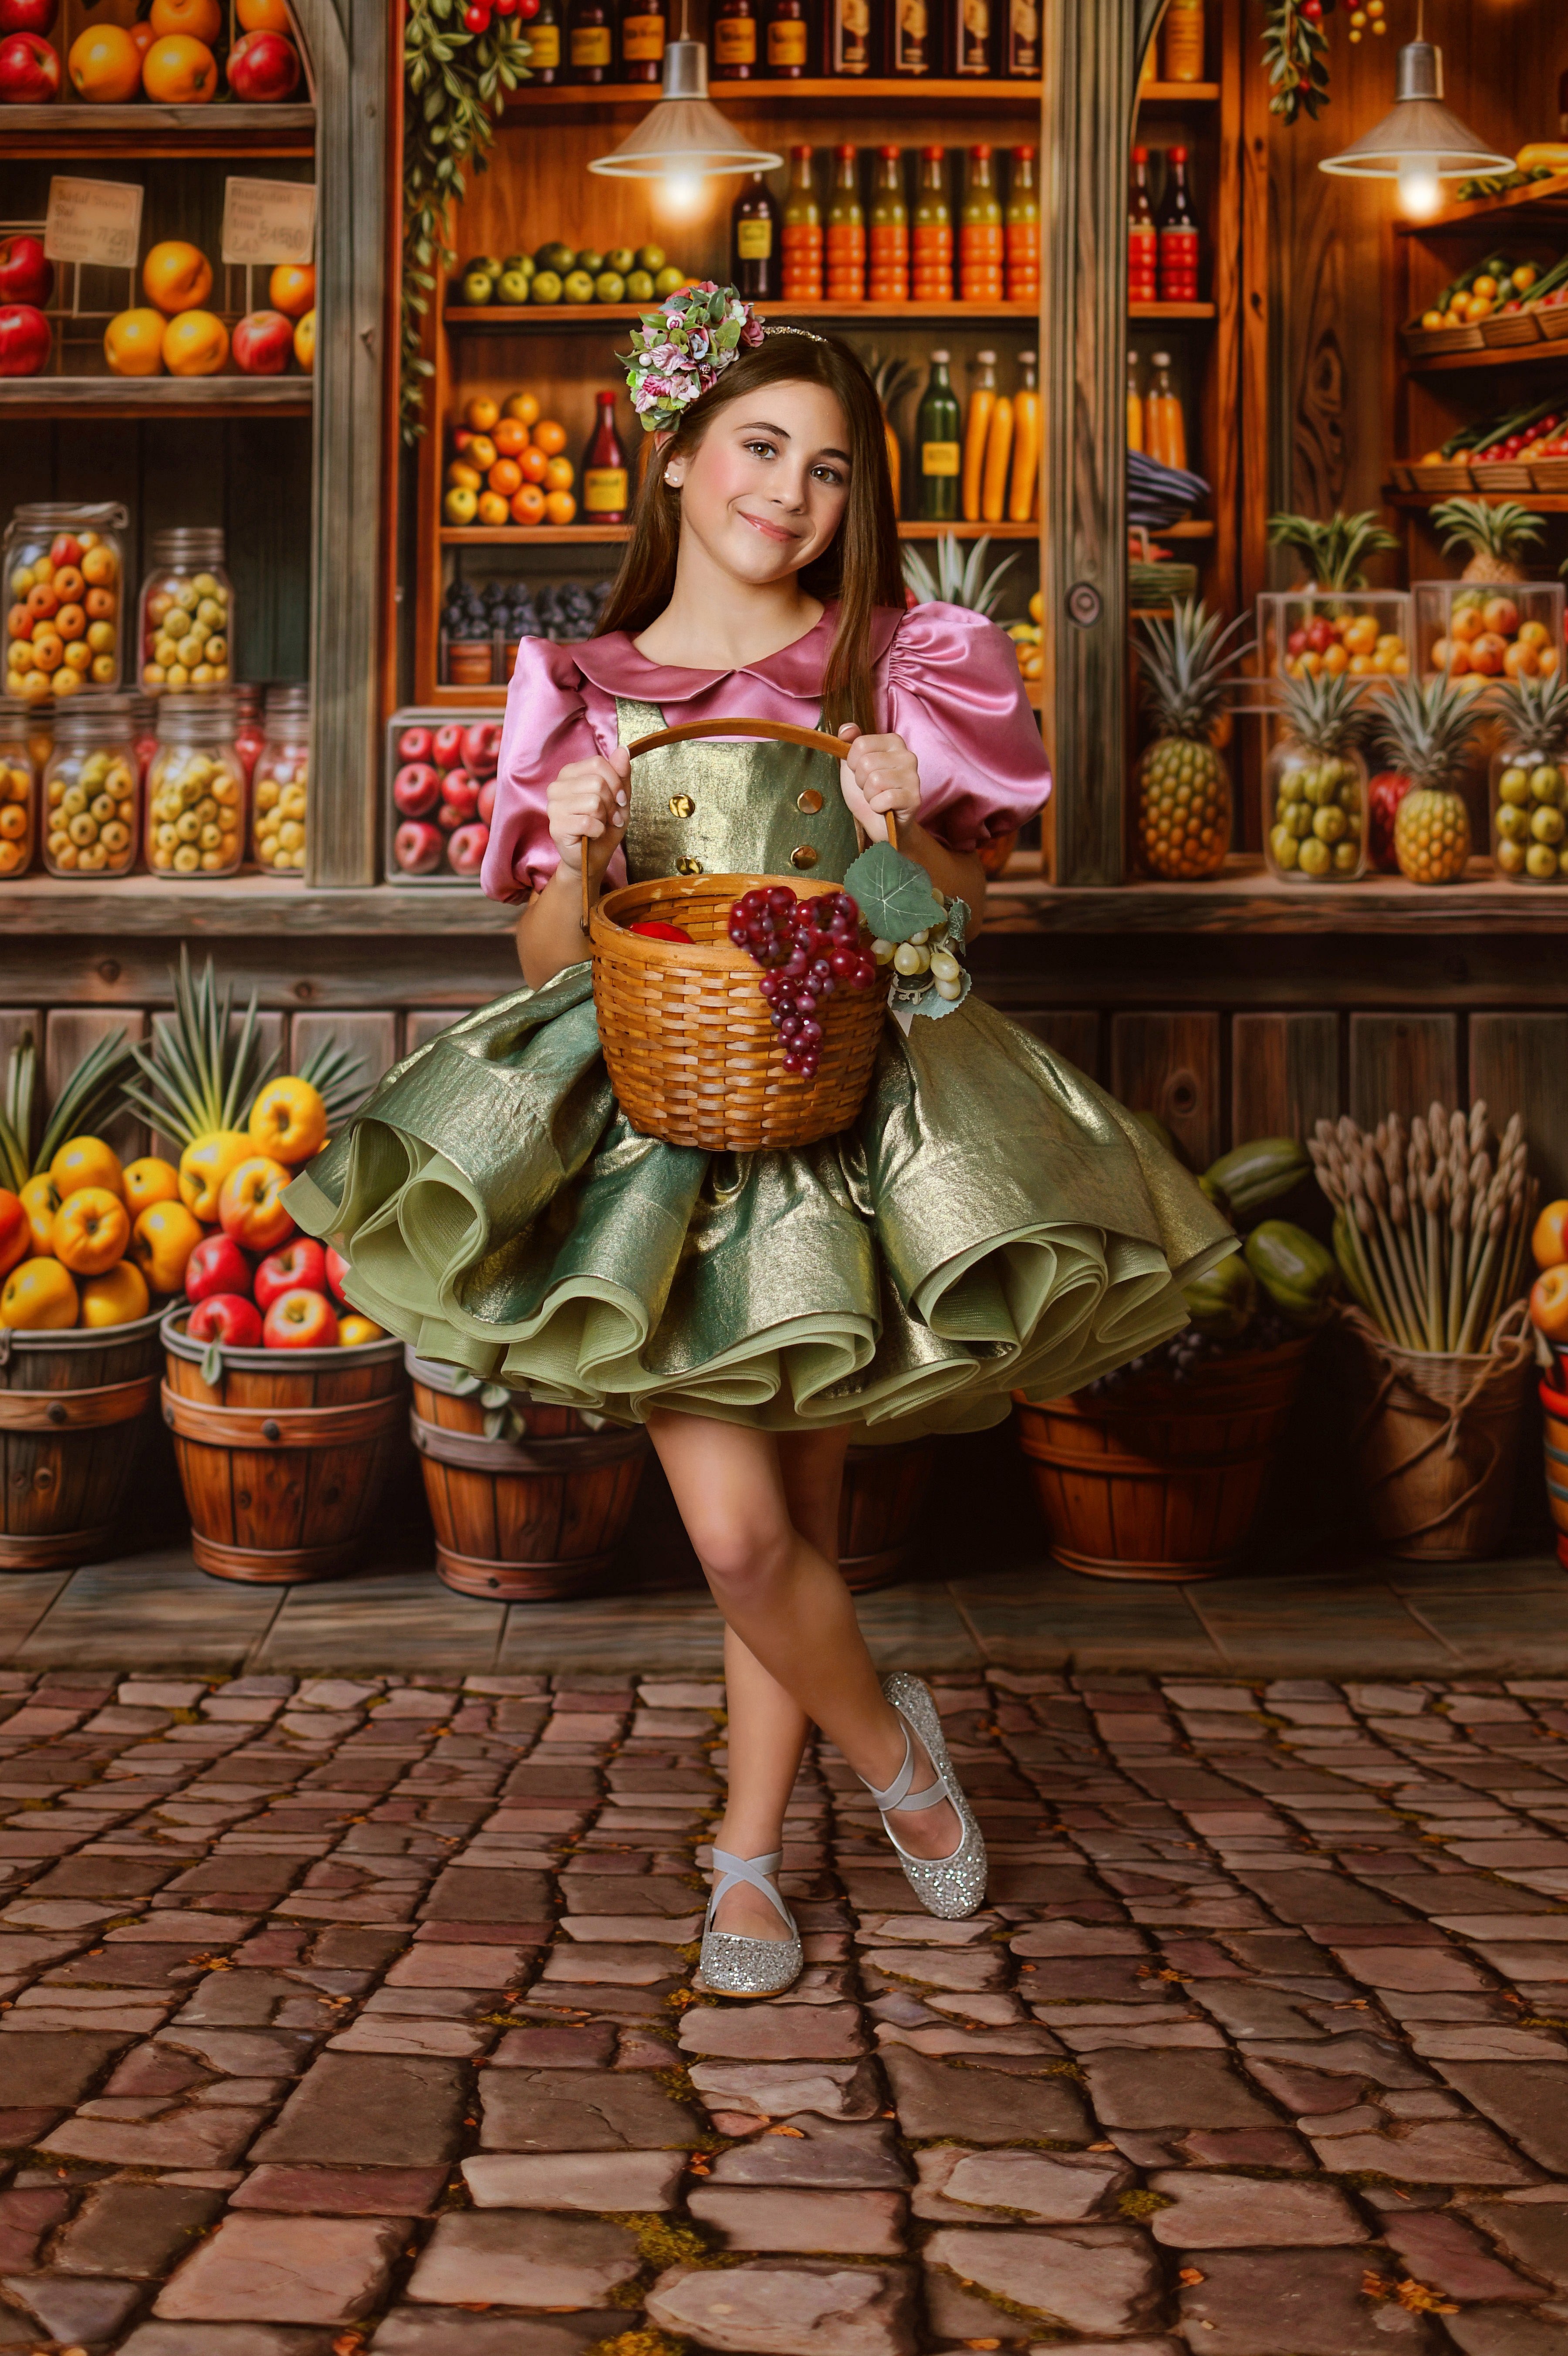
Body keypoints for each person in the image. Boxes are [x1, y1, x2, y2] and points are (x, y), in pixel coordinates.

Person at [287, 286, 1233, 1997]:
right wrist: (572, 844)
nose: (790, 493)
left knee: (793, 1513)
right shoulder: (581, 685)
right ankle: (900, 1762)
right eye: (758, 447)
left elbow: (933, 930)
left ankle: (744, 1858)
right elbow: (554, 966)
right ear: (676, 459)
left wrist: (902, 831)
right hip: (655, 1139)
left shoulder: (908, 664)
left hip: (847, 1112)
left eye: (829, 468)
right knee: (736, 1535)